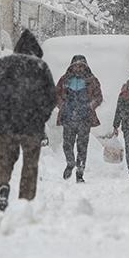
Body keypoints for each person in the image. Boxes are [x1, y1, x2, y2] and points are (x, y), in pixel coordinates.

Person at [0, 30, 57, 212]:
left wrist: (1, 113)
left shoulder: (4, 63)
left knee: (4, 159)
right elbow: (51, 98)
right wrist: (40, 117)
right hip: (32, 126)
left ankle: (3, 184)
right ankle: (25, 201)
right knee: (30, 164)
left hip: (6, 124)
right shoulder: (41, 67)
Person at [55, 54, 103, 182]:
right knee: (67, 145)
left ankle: (80, 173)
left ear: (85, 66)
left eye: (81, 66)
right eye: (76, 66)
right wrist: (63, 105)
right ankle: (70, 163)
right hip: (68, 118)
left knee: (82, 147)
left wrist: (90, 105)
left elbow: (99, 97)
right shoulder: (64, 80)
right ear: (71, 66)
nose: (78, 68)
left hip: (84, 119)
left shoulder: (92, 80)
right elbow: (56, 95)